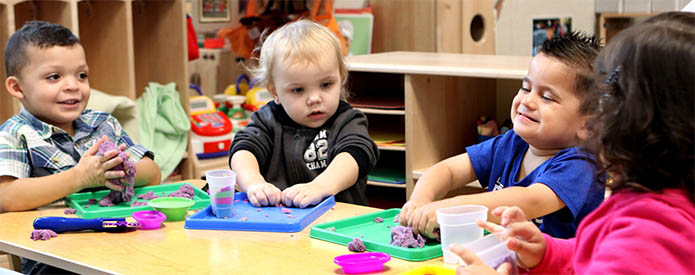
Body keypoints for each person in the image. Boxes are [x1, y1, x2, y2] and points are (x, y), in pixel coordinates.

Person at [451, 11, 695, 275]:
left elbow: (624, 254)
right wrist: (548, 252)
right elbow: (597, 250)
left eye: (608, 104)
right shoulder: (653, 201)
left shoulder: (650, 233)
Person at [400, 31, 605, 239]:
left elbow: (530, 200)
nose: (527, 101)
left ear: (587, 125)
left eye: (547, 97)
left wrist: (451, 208)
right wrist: (420, 200)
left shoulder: (582, 165)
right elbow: (448, 170)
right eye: (526, 88)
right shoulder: (511, 143)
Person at [0, 21, 161, 214]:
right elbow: (5, 198)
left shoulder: (103, 124)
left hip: (111, 231)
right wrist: (80, 177)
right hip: (49, 237)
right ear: (17, 88)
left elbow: (153, 174)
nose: (73, 86)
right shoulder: (14, 134)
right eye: (54, 77)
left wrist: (117, 169)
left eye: (81, 75)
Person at [229, 20, 379, 208]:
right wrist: (254, 183)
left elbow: (357, 154)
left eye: (326, 85)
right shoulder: (268, 120)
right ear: (275, 91)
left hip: (338, 224)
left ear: (341, 78)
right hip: (279, 224)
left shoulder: (347, 120)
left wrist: (321, 187)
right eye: (298, 90)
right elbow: (243, 149)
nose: (314, 98)